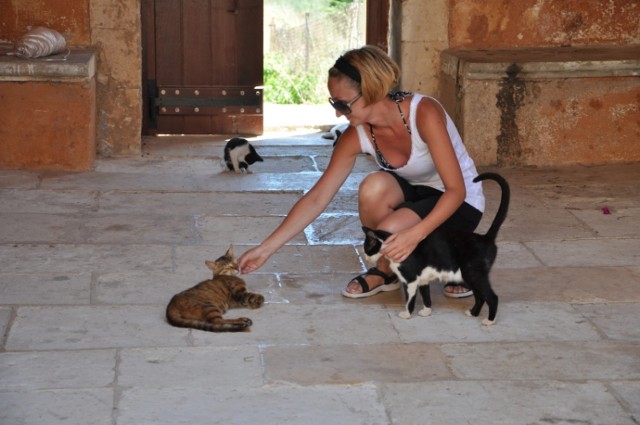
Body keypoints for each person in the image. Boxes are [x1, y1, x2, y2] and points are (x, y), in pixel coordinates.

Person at [239, 45, 485, 299]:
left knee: (390, 231)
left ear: (372, 91)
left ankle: (459, 256)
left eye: (343, 104)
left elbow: (457, 191)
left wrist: (415, 234)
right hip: (418, 194)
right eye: (334, 103)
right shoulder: (355, 135)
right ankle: (386, 270)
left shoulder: (423, 113)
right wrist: (266, 249)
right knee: (373, 187)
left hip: (460, 202)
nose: (337, 112)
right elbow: (317, 197)